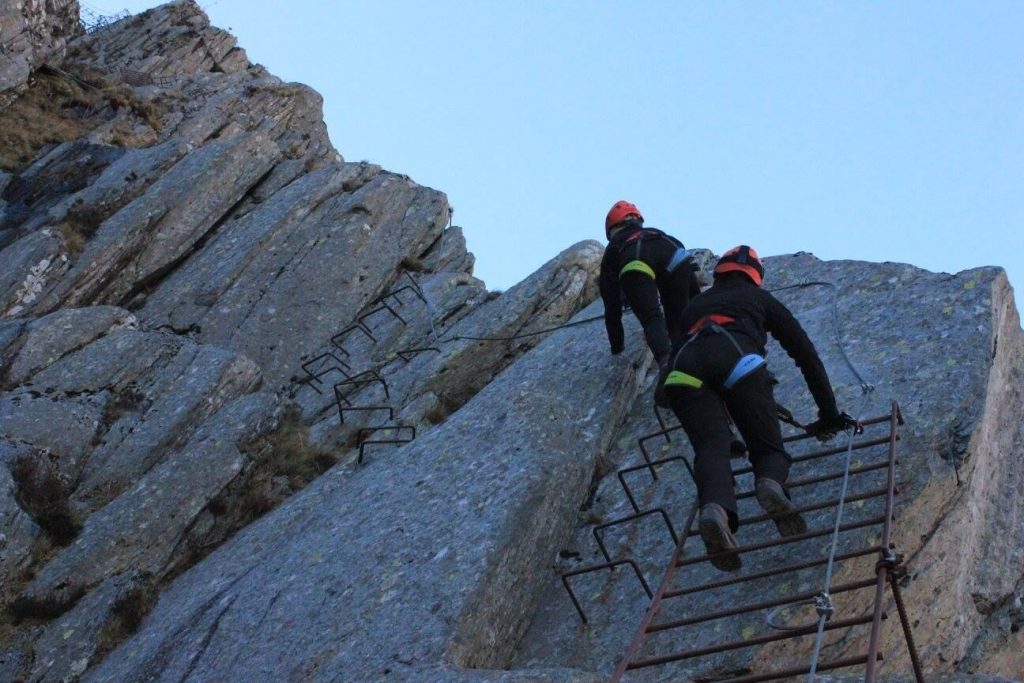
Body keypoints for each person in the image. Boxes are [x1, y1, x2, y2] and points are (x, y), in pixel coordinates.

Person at [661, 245, 852, 571]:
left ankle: (715, 509)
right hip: (738, 361)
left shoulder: (695, 304)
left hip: (684, 371)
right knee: (768, 448)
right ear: (756, 278)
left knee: (710, 447)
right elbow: (806, 356)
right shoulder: (762, 300)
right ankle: (769, 483)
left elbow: (673, 354)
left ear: (719, 272)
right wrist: (828, 414)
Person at [598, 201, 701, 374]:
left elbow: (611, 304)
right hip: (675, 257)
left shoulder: (615, 245)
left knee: (652, 318)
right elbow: (689, 278)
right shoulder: (657, 234)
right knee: (677, 321)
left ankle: (667, 361)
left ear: (613, 228)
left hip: (637, 262)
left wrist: (617, 346)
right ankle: (690, 357)